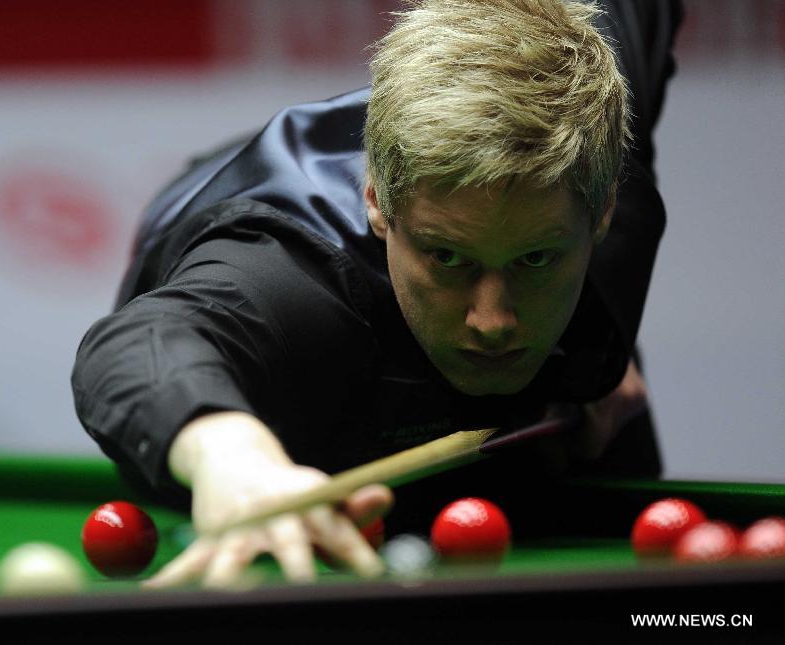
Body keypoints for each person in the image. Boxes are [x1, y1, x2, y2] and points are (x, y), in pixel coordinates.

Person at [72, 0, 682, 587]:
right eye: (446, 257)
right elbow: (138, 343)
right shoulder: (290, 277)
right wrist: (231, 457)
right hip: (293, 419)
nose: (493, 320)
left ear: (602, 213)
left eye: (535, 259)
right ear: (376, 203)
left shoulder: (594, 121)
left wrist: (589, 341)